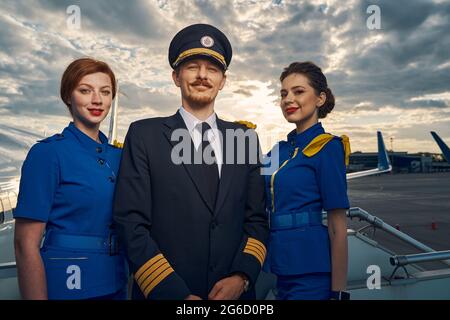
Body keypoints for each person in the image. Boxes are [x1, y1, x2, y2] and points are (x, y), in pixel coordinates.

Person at [113, 23, 269, 300]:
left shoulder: (244, 138)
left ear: (223, 81)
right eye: (192, 67)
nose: (202, 76)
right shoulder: (143, 135)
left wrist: (241, 277)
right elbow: (130, 222)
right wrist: (173, 293)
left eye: (212, 69)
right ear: (176, 76)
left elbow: (256, 219)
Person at [14, 58, 128, 300]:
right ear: (68, 96)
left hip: (117, 281)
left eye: (105, 92)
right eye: (85, 90)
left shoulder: (121, 158)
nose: (97, 100)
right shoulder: (47, 154)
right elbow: (25, 245)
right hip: (68, 284)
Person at [263, 61, 350, 300]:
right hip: (279, 268)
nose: (288, 99)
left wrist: (339, 292)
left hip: (312, 272)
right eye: (283, 94)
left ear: (320, 99)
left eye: (298, 91)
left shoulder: (327, 147)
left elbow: (337, 226)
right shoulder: (278, 151)